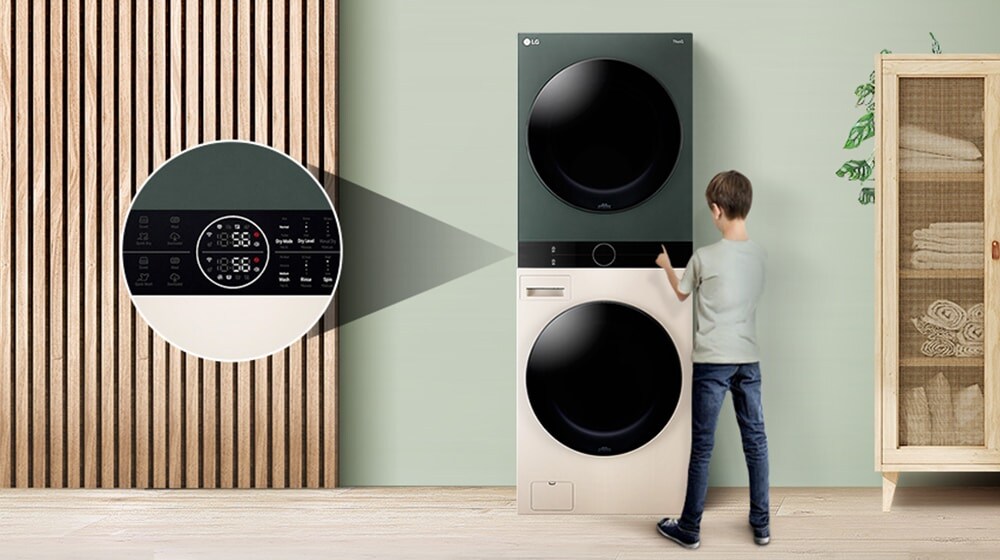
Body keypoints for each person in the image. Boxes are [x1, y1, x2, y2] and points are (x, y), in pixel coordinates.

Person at [653, 170, 770, 549]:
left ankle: (689, 528)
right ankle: (762, 524)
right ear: (745, 208)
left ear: (717, 210)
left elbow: (682, 294)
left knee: (703, 445)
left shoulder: (704, 257)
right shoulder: (759, 256)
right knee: (756, 441)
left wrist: (666, 265)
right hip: (748, 359)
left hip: (712, 361)